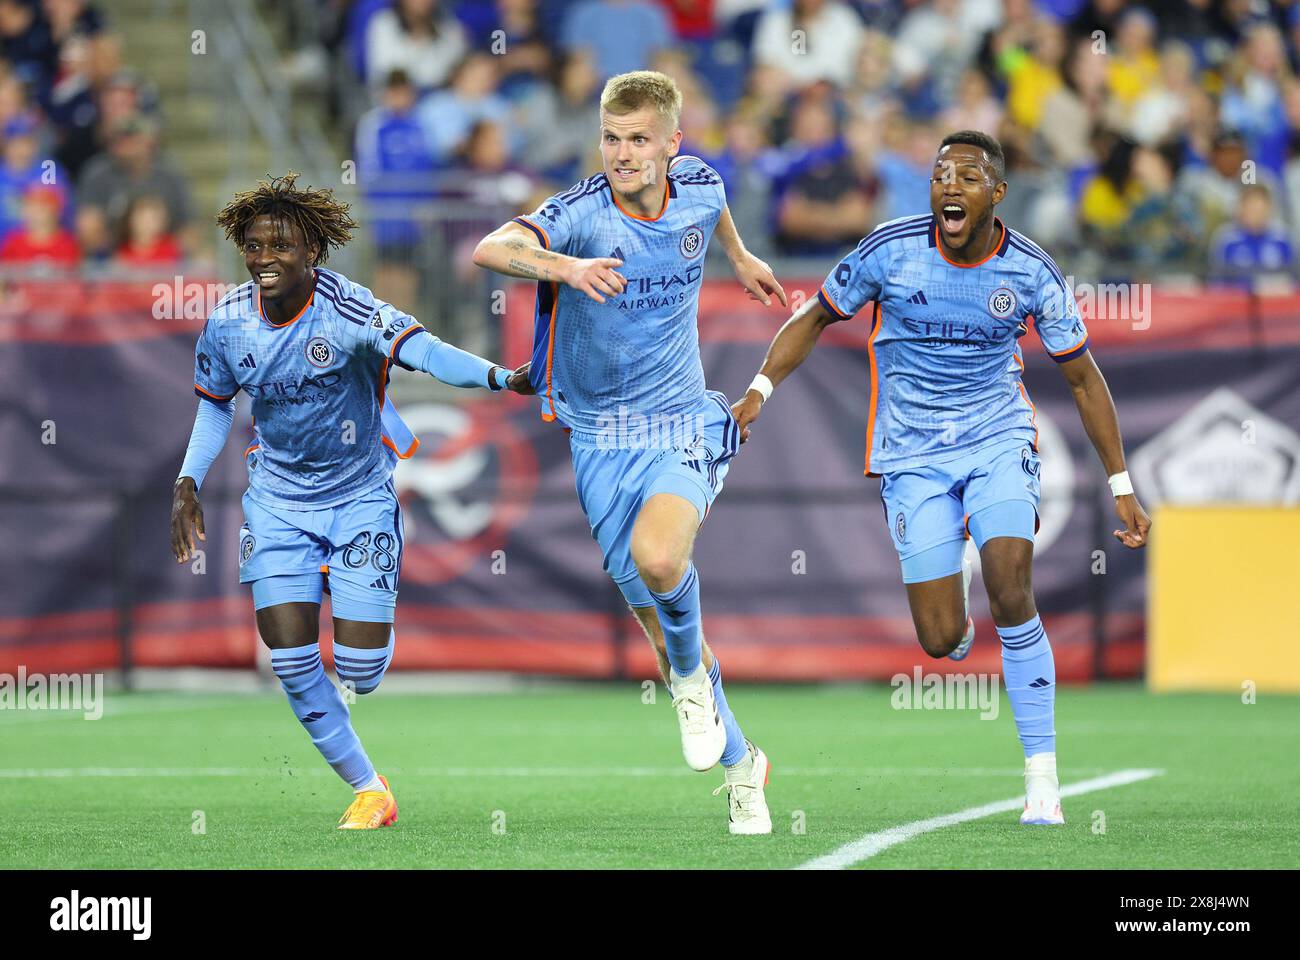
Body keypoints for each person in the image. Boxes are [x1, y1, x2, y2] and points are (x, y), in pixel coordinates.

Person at [732, 130, 1152, 826]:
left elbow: (1081, 377)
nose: (949, 187)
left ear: (997, 194)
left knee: (1012, 585)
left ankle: (1042, 779)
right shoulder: (888, 251)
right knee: (938, 641)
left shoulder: (1031, 270)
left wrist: (1121, 484)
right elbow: (813, 318)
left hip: (996, 437)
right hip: (912, 453)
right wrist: (757, 392)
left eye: (967, 177)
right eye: (939, 176)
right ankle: (951, 588)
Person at [471, 70, 786, 835]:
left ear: (673, 144)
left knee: (659, 558)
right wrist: (566, 268)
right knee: (658, 621)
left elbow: (715, 216)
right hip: (599, 439)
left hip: (681, 419)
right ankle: (745, 765)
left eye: (639, 139)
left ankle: (689, 683)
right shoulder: (580, 215)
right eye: (611, 138)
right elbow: (491, 247)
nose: (622, 153)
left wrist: (739, 259)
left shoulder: (703, 185)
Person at [169, 173, 529, 830]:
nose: (263, 258)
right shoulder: (226, 325)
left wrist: (499, 376)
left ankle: (352, 584)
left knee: (361, 671)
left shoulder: (353, 309)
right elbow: (215, 407)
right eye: (252, 246)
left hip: (359, 496)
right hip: (277, 501)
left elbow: (425, 351)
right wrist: (187, 478)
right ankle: (370, 790)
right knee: (290, 655)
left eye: (278, 246)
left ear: (312, 252)